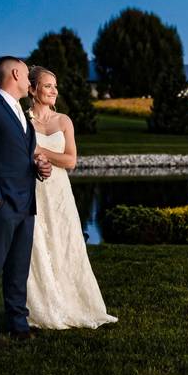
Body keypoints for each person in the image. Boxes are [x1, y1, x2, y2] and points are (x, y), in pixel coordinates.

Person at [25, 65, 117, 329]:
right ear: (32, 89)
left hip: (59, 194)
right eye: (48, 86)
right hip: (32, 192)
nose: (54, 91)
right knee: (37, 248)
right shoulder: (23, 122)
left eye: (55, 86)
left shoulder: (63, 121)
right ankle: (41, 309)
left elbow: (71, 160)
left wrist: (40, 149)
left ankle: (74, 305)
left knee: (65, 245)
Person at [0, 57, 52, 347]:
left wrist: (40, 168)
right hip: (2, 204)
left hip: (26, 203)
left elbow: (21, 155)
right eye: (26, 71)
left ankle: (19, 324)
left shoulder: (19, 111)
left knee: (18, 269)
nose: (30, 76)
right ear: (16, 73)